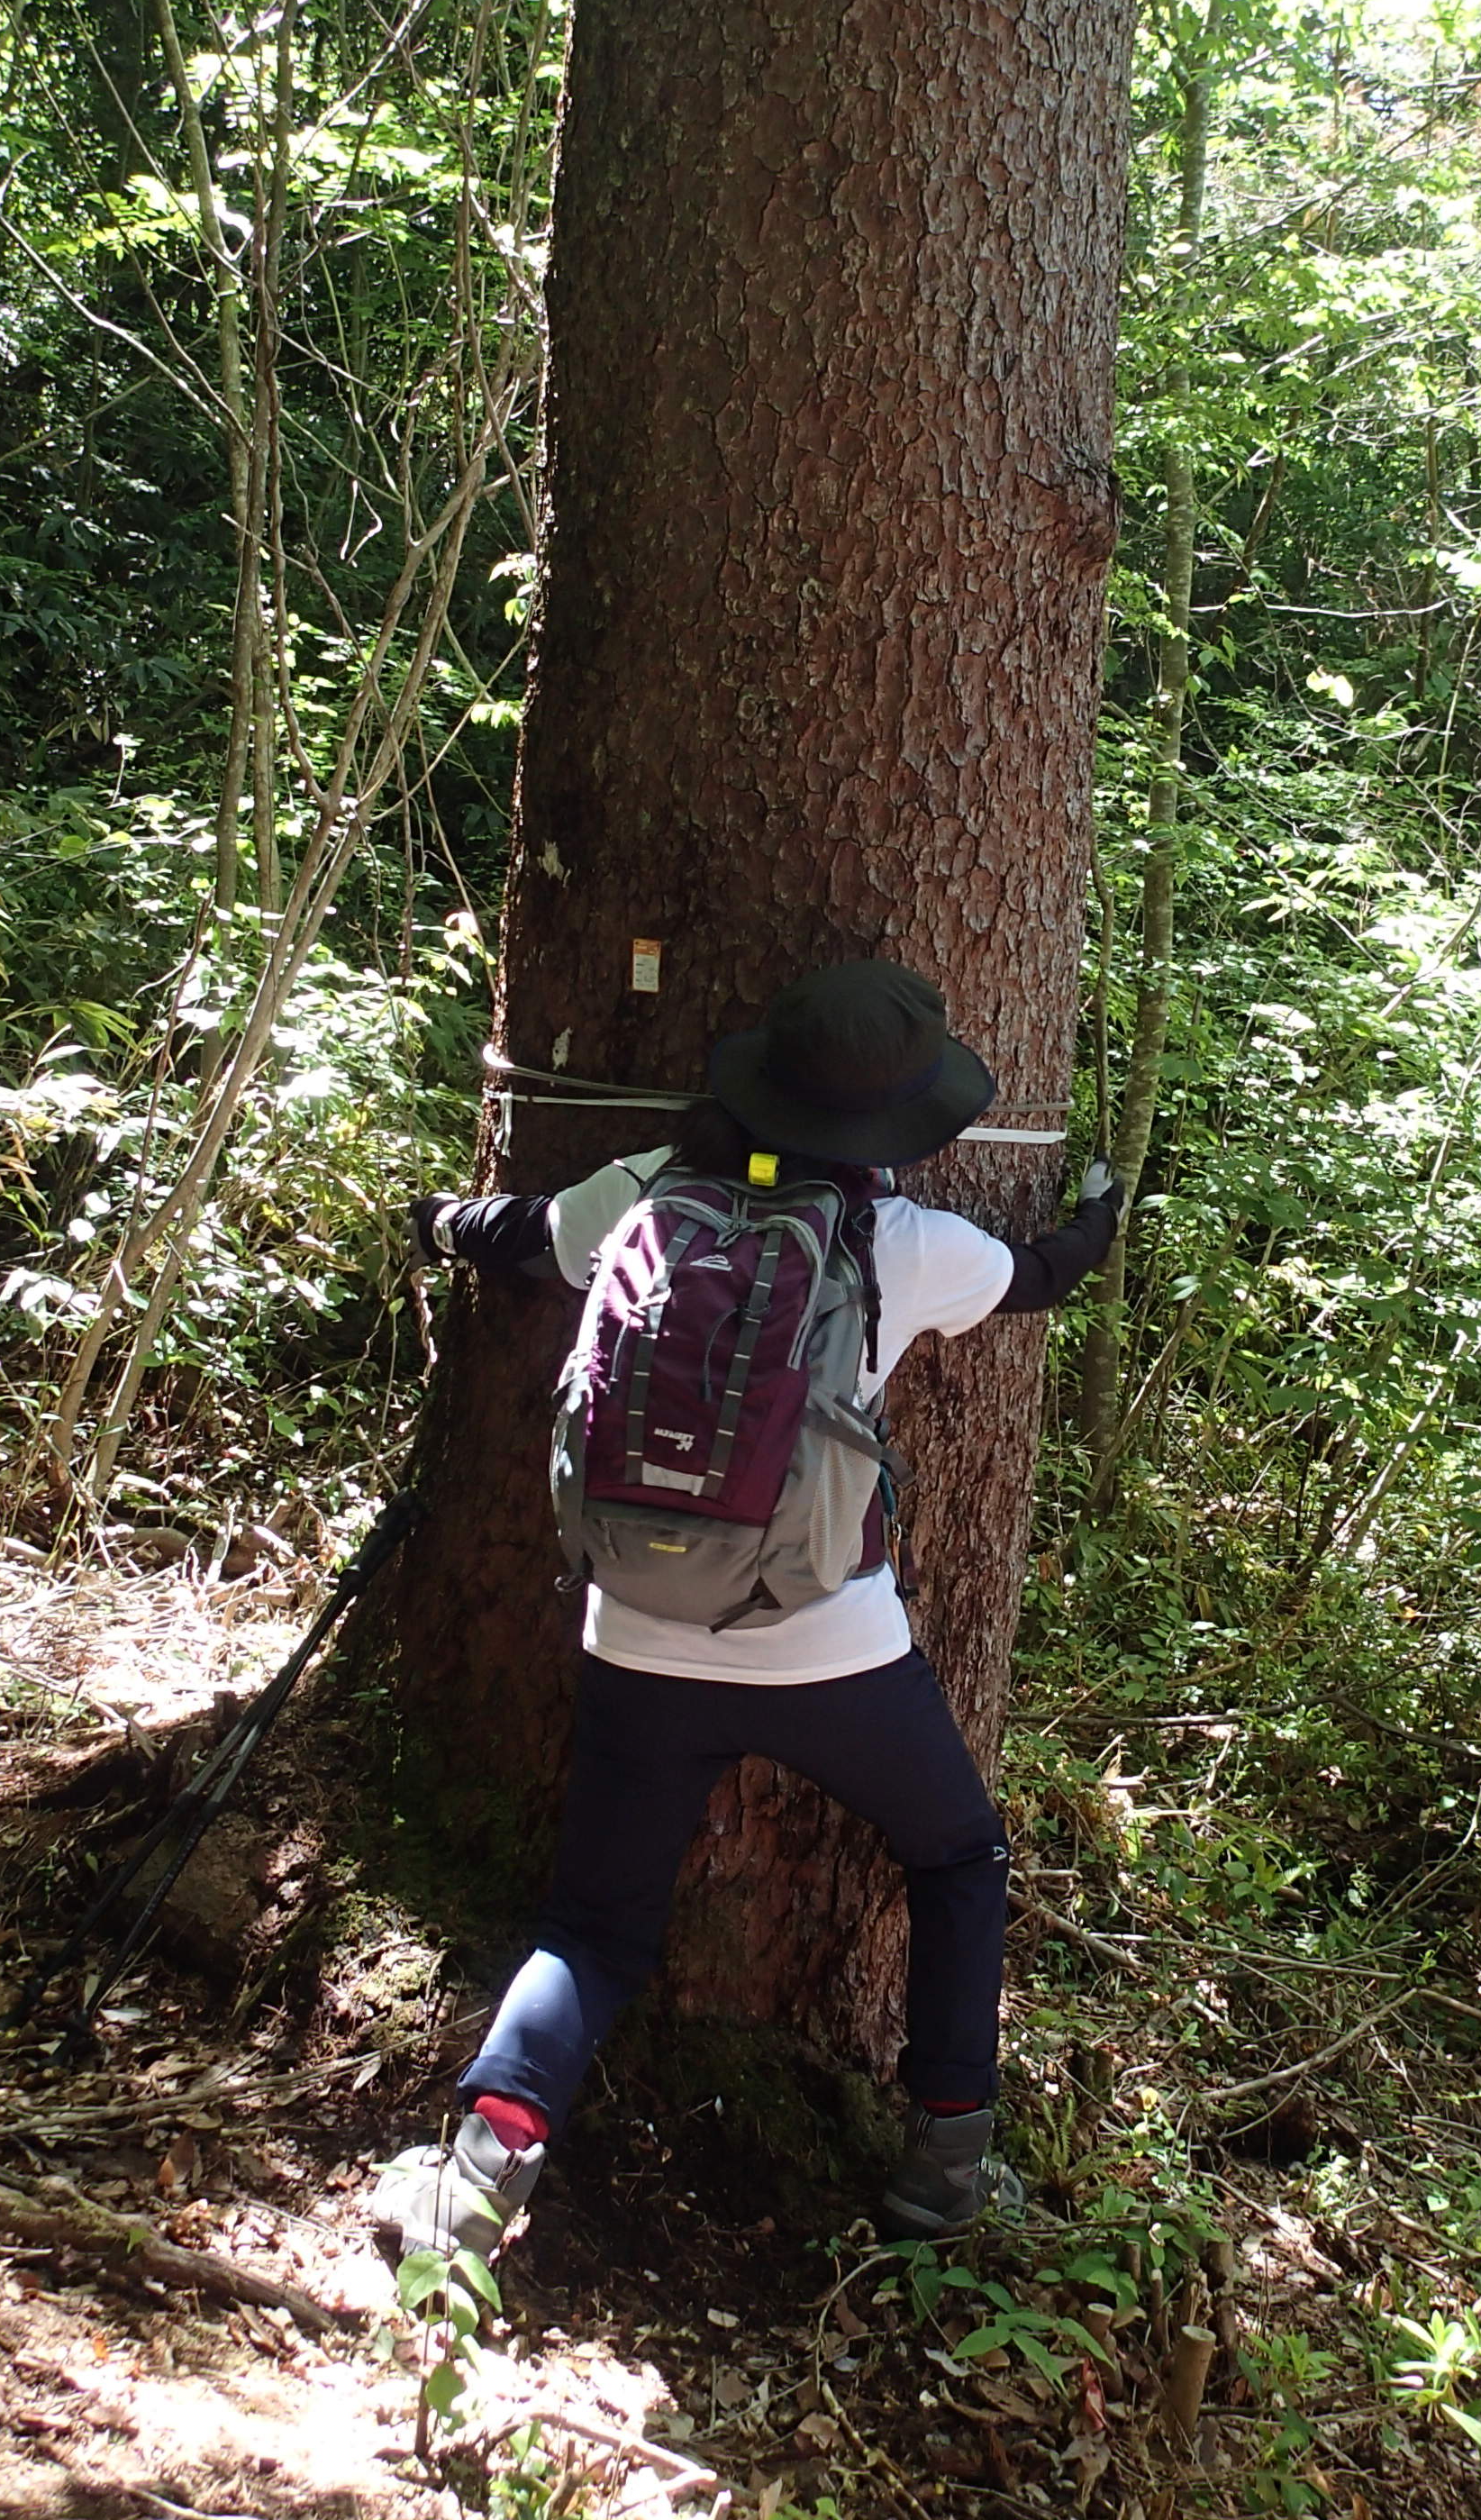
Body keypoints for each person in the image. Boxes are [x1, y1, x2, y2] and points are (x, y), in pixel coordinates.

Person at [371, 959, 1118, 2268]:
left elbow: (523, 1234)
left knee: (592, 1929)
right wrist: (1101, 1214)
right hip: (837, 1649)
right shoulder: (907, 1245)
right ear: (899, 1124)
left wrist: (437, 1219)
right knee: (956, 1859)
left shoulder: (649, 1192)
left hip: (636, 1635)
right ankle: (946, 2155)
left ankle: (483, 2165)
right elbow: (1042, 1276)